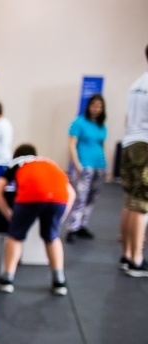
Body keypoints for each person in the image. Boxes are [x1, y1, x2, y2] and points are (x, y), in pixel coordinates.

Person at [0, 144, 76, 295]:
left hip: (30, 197)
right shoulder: (49, 162)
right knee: (52, 237)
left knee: (15, 237)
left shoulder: (18, 162)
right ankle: (59, 282)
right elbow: (71, 193)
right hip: (59, 197)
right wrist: (59, 219)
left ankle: (7, 279)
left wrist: (9, 214)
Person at [119, 44, 148, 277]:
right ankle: (137, 259)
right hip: (145, 146)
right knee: (141, 206)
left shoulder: (136, 83)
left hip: (129, 143)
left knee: (131, 202)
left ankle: (128, 255)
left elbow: (127, 118)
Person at [66, 93, 108, 243]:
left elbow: (102, 145)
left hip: (100, 165)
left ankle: (82, 225)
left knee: (92, 198)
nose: (96, 109)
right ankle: (73, 228)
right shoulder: (79, 122)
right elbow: (71, 144)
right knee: (80, 197)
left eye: (99, 106)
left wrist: (105, 165)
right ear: (88, 106)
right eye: (94, 105)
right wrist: (76, 164)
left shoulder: (101, 125)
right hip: (84, 164)